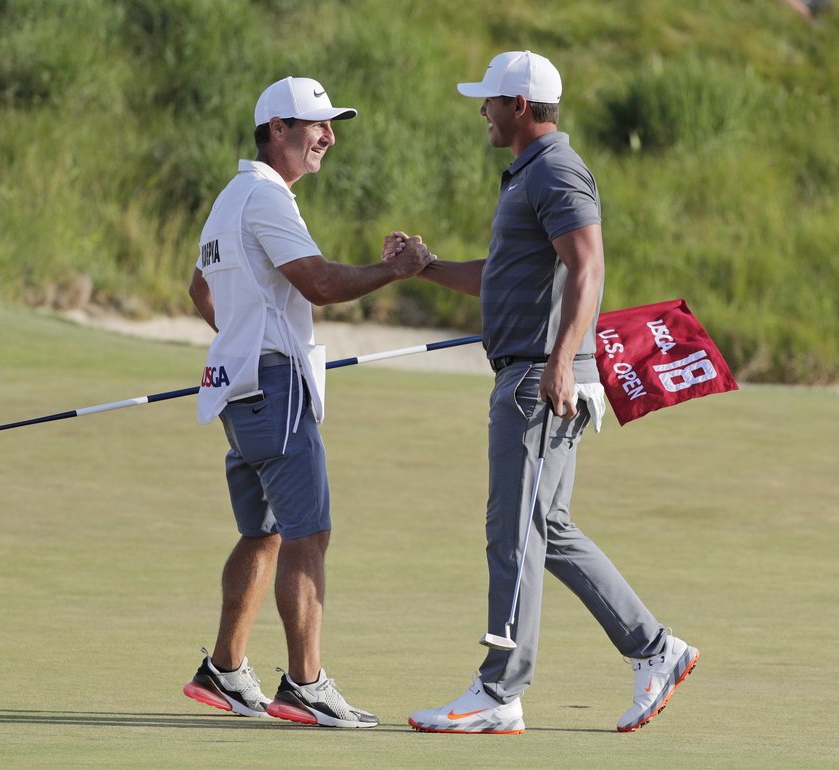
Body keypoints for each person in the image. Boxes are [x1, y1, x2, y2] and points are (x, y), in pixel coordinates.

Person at [386, 51, 699, 734]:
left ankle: (499, 691)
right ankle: (656, 649)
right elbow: (504, 279)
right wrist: (428, 267)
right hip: (536, 371)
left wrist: (560, 361)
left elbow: (588, 267)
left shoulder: (555, 169)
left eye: (491, 101)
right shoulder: (529, 175)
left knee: (514, 533)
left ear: (519, 106)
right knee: (546, 530)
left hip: (537, 378)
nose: (484, 112)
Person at [184, 76, 434, 729]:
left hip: (240, 387)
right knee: (308, 533)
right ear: (276, 130)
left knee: (263, 532)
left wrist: (242, 336)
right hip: (275, 388)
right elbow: (318, 283)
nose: (327, 136)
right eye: (313, 125)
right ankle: (304, 684)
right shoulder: (266, 198)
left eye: (330, 125)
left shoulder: (231, 196)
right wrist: (395, 270)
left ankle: (225, 669)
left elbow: (199, 290)